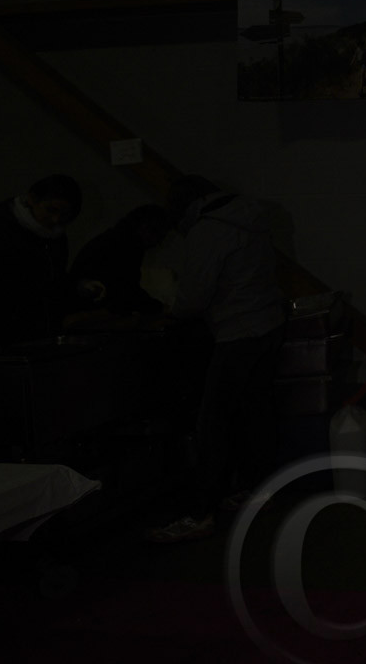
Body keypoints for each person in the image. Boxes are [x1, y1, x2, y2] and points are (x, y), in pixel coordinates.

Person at [149, 175, 287, 543]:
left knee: (212, 423)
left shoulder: (207, 231)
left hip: (237, 332)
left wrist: (170, 308)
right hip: (270, 324)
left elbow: (193, 297)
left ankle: (200, 513)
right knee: (258, 413)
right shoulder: (252, 216)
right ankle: (259, 491)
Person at [0, 173, 90, 348]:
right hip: (1, 336)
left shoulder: (55, 238)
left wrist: (78, 286)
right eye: (51, 210)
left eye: (64, 214)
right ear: (32, 200)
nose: (56, 219)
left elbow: (53, 280)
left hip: (41, 335)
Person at [68, 204, 172, 320]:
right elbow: (128, 291)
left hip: (80, 307)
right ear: (145, 228)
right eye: (158, 236)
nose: (157, 243)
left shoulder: (115, 238)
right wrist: (158, 308)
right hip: (85, 311)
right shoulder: (127, 245)